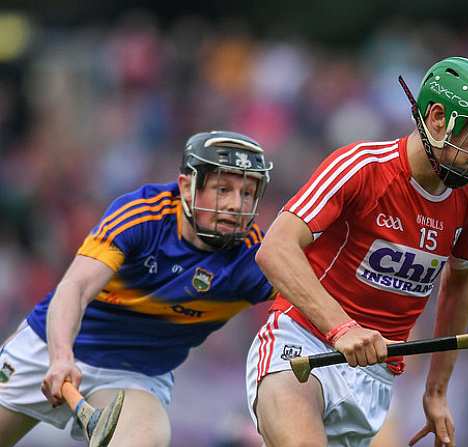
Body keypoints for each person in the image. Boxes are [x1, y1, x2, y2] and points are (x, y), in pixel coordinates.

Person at [246, 56, 468, 446]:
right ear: (439, 118)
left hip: (376, 373)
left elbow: (460, 279)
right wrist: (340, 327)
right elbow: (275, 249)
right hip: (301, 347)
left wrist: (437, 390)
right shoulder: (361, 167)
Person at [0, 131, 275, 447]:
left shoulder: (256, 258)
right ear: (188, 186)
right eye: (222, 189)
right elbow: (74, 288)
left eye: (247, 193)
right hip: (51, 349)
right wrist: (61, 356)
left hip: (135, 377)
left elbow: (311, 300)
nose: (234, 205)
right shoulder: (143, 214)